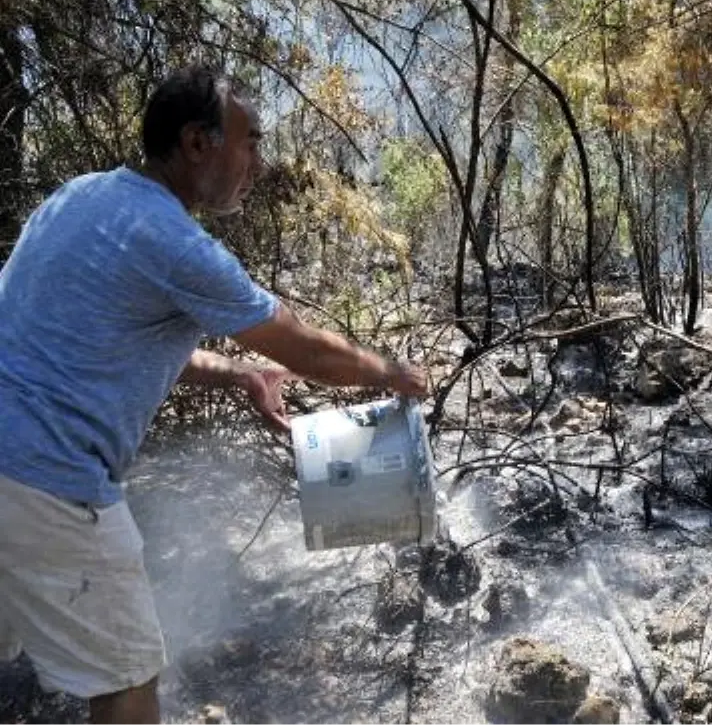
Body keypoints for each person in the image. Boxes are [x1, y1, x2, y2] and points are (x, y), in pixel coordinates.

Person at [0, 66, 429, 725]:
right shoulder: (175, 243)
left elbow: (101, 344)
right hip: (49, 482)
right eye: (250, 141)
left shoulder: (82, 199)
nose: (258, 162)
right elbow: (306, 348)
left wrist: (236, 374)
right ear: (198, 143)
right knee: (127, 684)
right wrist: (386, 372)